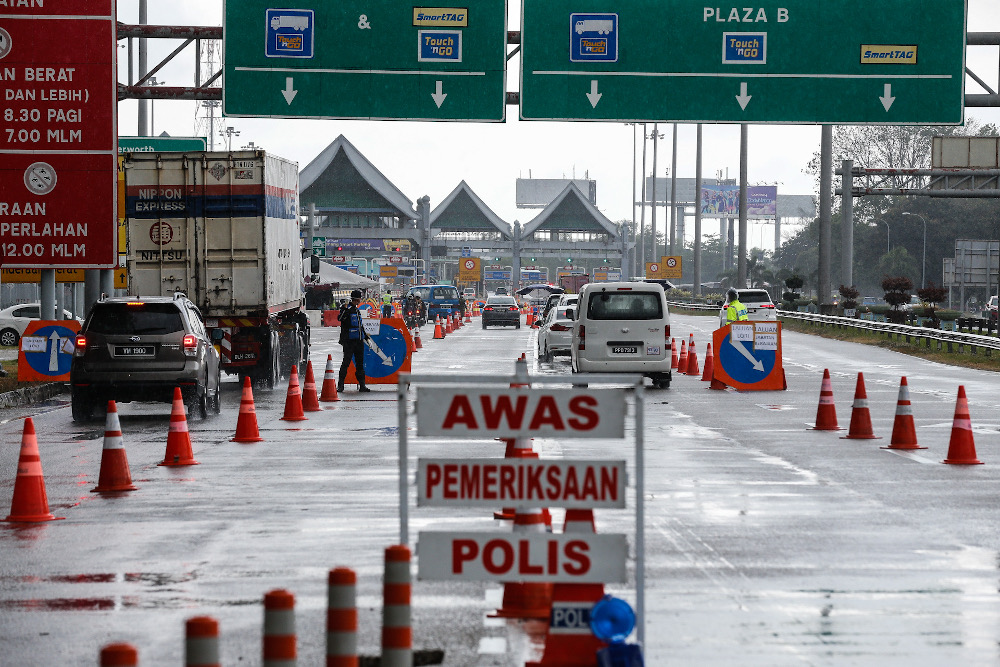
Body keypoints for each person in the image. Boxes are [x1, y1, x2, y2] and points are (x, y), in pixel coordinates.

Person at [339, 289, 370, 392]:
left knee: (360, 364)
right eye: (359, 299)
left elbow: (360, 326)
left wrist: (365, 337)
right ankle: (340, 385)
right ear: (356, 299)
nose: (359, 301)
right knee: (346, 362)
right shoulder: (346, 309)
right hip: (349, 341)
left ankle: (362, 385)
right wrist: (345, 309)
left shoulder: (357, 310)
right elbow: (340, 318)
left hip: (358, 341)